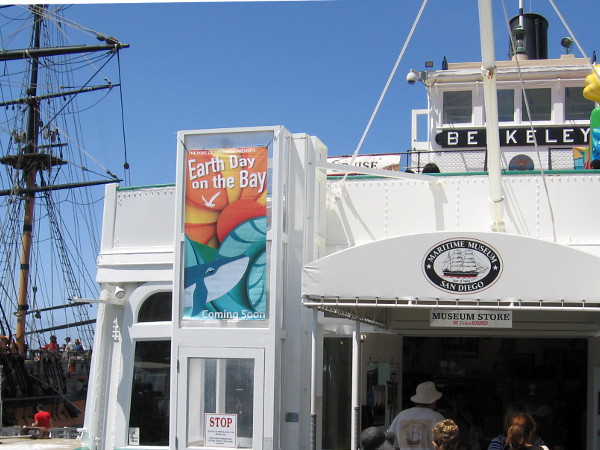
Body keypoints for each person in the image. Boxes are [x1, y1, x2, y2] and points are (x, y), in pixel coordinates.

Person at [388, 381, 445, 450]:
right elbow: (446, 444)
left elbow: (390, 440)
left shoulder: (401, 416)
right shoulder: (438, 418)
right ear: (433, 401)